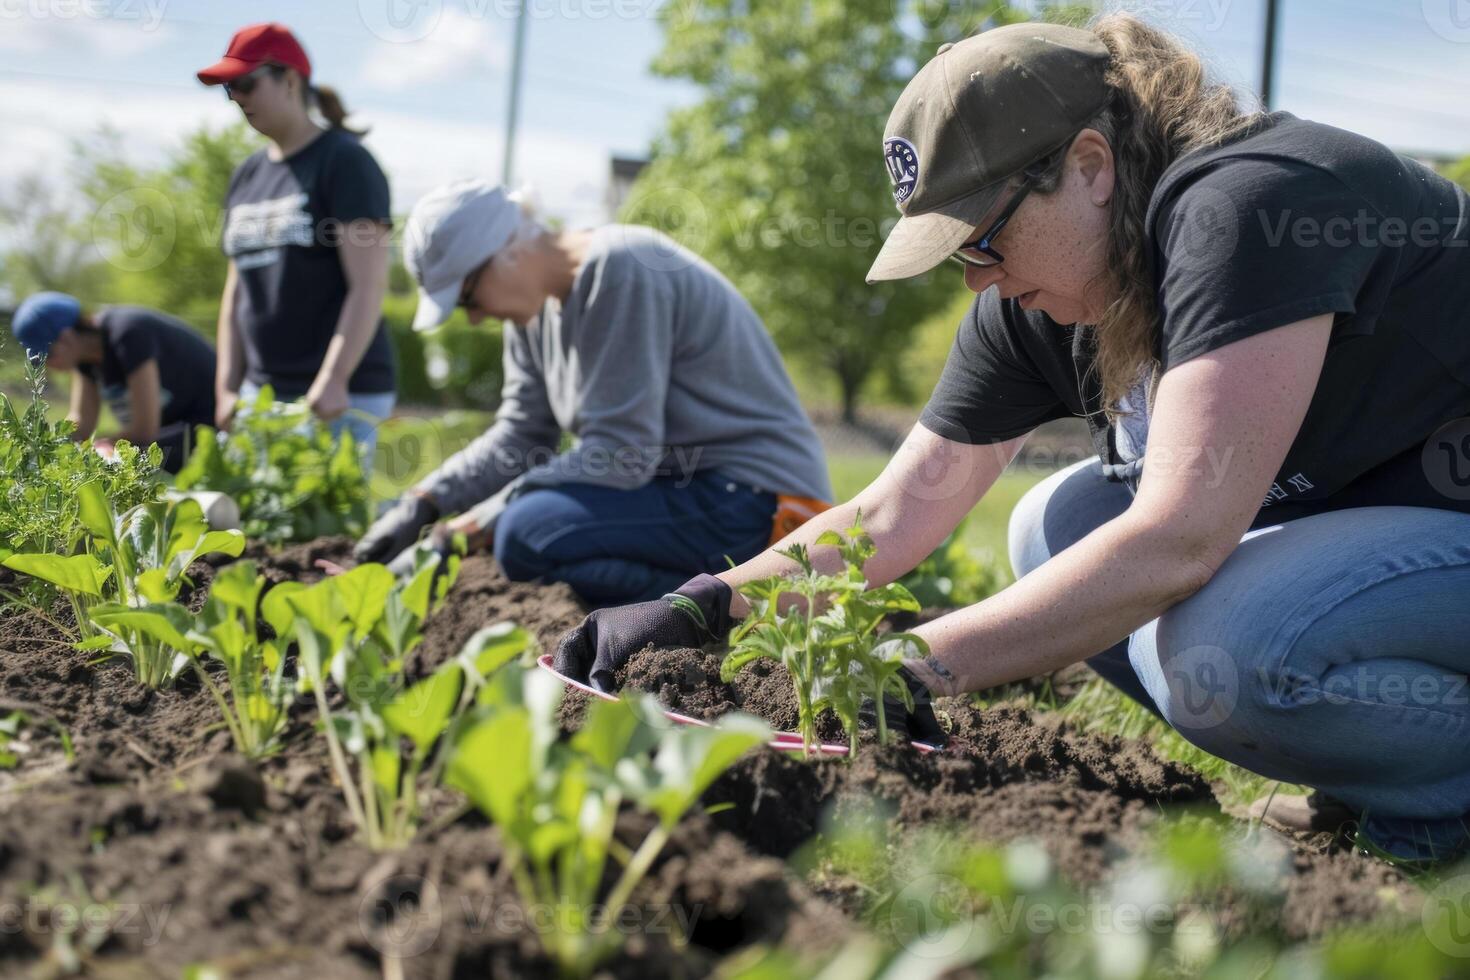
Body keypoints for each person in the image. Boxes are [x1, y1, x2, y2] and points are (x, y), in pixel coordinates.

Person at [556, 16, 1470, 864]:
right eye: (958, 256)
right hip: (1388, 535)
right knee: (1052, 526)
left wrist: (913, 668)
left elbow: (1179, 538)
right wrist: (704, 605)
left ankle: (1441, 796)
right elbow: (891, 511)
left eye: (984, 240)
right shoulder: (1039, 300)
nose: (976, 282)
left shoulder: (1248, 210)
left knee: (1227, 643)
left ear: (1090, 165)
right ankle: (1373, 771)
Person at [354, 180, 833, 607]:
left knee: (527, 531)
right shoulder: (530, 313)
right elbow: (519, 437)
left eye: (467, 299)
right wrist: (425, 502)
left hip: (758, 498)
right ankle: (714, 600)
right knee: (525, 528)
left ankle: (727, 606)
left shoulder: (621, 269)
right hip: (687, 490)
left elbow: (622, 455)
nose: (475, 318)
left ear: (507, 251)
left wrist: (471, 525)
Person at [198, 22, 395, 460]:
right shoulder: (247, 175)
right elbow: (236, 293)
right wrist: (226, 388)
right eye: (229, 89)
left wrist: (334, 378)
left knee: (327, 531)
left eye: (246, 83)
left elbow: (370, 284)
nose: (238, 99)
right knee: (244, 527)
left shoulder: (345, 163)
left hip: (337, 399)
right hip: (260, 396)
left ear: (289, 79)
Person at [11, 292, 216, 472]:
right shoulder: (85, 359)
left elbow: (144, 431)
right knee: (92, 461)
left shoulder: (127, 333)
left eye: (49, 355)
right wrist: (42, 448)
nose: (48, 365)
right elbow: (81, 423)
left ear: (66, 338)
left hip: (210, 422)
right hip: (171, 430)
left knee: (115, 463)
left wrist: (103, 445)